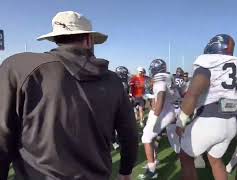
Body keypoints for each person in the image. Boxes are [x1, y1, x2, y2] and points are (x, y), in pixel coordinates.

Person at [0, 11, 138, 180]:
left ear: (56, 39)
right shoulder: (113, 80)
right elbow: (129, 132)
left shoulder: (19, 67)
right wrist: (125, 171)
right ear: (89, 40)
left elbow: (2, 133)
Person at [176, 34, 237, 180]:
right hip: (230, 122)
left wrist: (180, 121)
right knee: (215, 160)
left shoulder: (209, 62)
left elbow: (192, 94)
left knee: (186, 157)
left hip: (209, 121)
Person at [138, 59, 177, 179]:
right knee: (154, 136)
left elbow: (160, 97)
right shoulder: (168, 76)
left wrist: (155, 117)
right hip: (173, 109)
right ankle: (153, 162)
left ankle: (152, 170)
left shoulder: (159, 78)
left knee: (146, 138)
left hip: (167, 111)